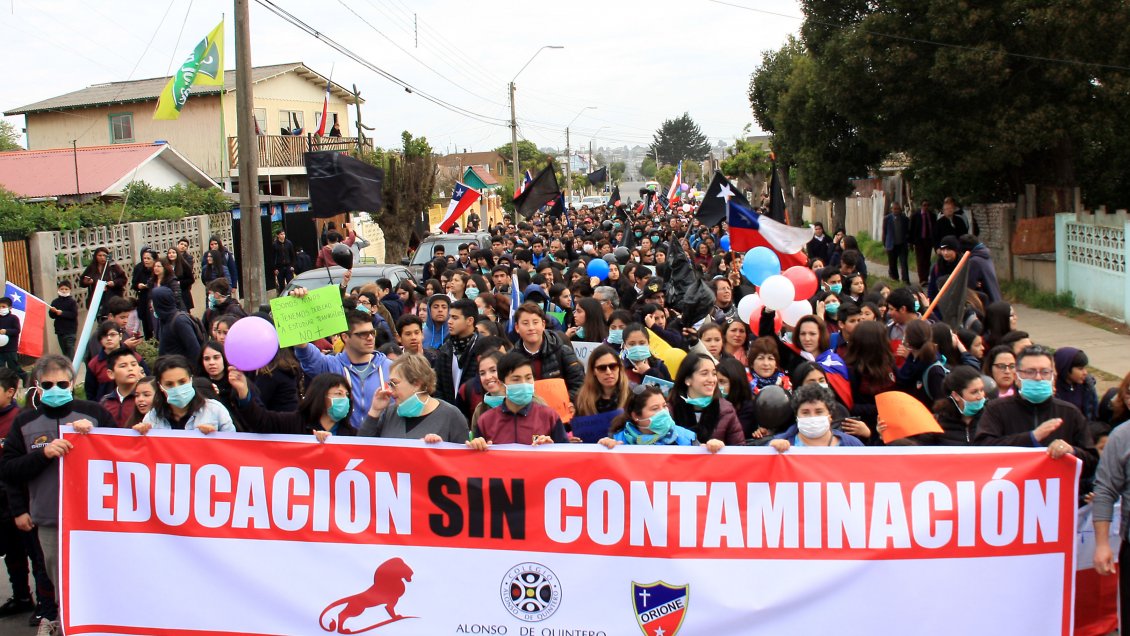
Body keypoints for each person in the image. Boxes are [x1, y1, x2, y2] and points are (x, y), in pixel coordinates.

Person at [1, 355, 111, 635]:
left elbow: (125, 453)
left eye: (61, 383)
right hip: (48, 516)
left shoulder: (95, 413)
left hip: (93, 514)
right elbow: (9, 470)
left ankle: (96, 623)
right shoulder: (25, 422)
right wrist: (44, 454)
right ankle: (65, 622)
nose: (55, 389)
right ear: (37, 386)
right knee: (56, 576)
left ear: (72, 383)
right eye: (47, 384)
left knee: (97, 573)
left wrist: (97, 435)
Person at [974, 345, 1098, 476]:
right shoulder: (996, 409)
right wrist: (1031, 438)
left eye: (1045, 372)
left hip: (1055, 491)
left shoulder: (1070, 412)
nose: (1038, 378)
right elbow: (982, 450)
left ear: (1053, 376)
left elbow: (1092, 461)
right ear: (1016, 377)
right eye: (1030, 372)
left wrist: (1072, 452)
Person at [0, 367, 56, 627]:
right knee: (12, 551)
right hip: (8, 500)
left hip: (27, 498)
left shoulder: (22, 420)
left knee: (38, 556)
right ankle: (22, 596)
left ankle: (47, 608)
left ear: (11, 392)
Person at [291, 304, 392, 430]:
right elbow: (304, 350)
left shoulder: (390, 367)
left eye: (372, 333)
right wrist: (296, 304)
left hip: (383, 444)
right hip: (343, 444)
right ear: (345, 337)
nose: (370, 338)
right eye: (363, 334)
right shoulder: (330, 365)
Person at [361, 354, 468, 442]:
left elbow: (461, 461)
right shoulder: (389, 413)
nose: (390, 389)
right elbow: (360, 449)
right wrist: (375, 411)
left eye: (394, 383)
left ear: (417, 383)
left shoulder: (451, 416)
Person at [470, 352, 568, 447]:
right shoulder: (486, 421)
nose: (524, 384)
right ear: (502, 384)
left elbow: (567, 456)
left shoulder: (549, 417)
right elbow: (475, 460)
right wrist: (478, 446)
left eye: (528, 378)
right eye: (516, 379)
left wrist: (551, 448)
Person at [232, 369, 353, 441]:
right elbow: (260, 420)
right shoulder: (293, 423)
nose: (344, 399)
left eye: (347, 395)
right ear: (320, 396)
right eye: (338, 394)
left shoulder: (352, 434)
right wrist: (243, 392)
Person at [600, 385, 722, 450]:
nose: (663, 412)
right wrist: (603, 448)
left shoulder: (687, 438)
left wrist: (712, 448)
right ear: (636, 416)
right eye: (655, 408)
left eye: (664, 406)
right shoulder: (617, 441)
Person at [138, 355, 236, 433]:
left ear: (191, 379)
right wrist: (138, 435)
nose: (177, 388)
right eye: (169, 384)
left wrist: (215, 437)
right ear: (160, 386)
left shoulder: (215, 410)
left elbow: (232, 447)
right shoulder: (152, 418)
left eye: (182, 382)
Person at [511, 303, 585, 400]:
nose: (531, 328)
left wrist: (563, 403)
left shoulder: (563, 352)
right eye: (525, 323)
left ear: (543, 324)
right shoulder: (512, 358)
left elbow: (579, 386)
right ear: (517, 327)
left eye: (535, 322)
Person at [669, 353, 744, 446]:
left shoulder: (726, 410)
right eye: (704, 374)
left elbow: (739, 449)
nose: (711, 379)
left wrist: (721, 448)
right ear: (688, 379)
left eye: (714, 374)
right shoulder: (669, 409)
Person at [769, 383, 865, 452]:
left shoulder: (853, 445)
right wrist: (770, 450)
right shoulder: (781, 444)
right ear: (796, 416)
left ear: (830, 415)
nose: (812, 417)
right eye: (805, 412)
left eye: (819, 412)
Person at [435, 299, 479, 404]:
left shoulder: (482, 349)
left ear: (470, 321)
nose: (449, 321)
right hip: (448, 414)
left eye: (455, 318)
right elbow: (438, 386)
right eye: (450, 317)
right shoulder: (445, 350)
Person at [933, 366, 986, 446]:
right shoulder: (938, 423)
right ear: (956, 395)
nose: (980, 396)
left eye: (981, 390)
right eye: (974, 392)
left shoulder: (991, 418)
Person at [574, 344, 630, 418]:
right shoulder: (582, 400)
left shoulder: (632, 396)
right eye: (602, 368)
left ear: (619, 368)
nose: (608, 372)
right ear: (593, 371)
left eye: (613, 366)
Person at [151, 287, 202, 361]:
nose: (151, 305)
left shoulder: (180, 321)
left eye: (153, 301)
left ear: (161, 302)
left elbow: (194, 350)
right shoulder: (163, 320)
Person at [98, 347, 142, 427]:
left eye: (134, 364)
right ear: (111, 374)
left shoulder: (148, 398)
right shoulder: (105, 401)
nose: (130, 368)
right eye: (123, 366)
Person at [79, 247, 128, 316]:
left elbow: (123, 279)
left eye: (104, 255)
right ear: (95, 256)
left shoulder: (113, 267)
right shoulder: (91, 268)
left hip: (112, 298)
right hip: (97, 299)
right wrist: (87, 282)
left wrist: (114, 283)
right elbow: (82, 281)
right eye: (99, 255)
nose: (102, 258)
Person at [1054, 347, 1099, 421]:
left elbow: (1093, 414)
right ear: (1066, 368)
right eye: (1080, 369)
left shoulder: (1087, 385)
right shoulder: (1052, 389)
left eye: (1085, 368)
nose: (1085, 373)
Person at [48, 280, 78, 360]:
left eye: (66, 289)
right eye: (62, 289)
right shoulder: (55, 302)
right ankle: (67, 367)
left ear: (70, 290)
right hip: (60, 331)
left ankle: (72, 367)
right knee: (65, 351)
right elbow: (51, 316)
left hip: (70, 331)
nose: (64, 291)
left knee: (70, 349)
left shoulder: (72, 302)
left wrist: (62, 313)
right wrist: (52, 311)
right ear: (58, 290)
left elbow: (73, 314)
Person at [882, 202, 910, 282]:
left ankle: (905, 280)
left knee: (904, 262)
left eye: (898, 209)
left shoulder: (904, 219)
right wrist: (884, 244)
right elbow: (884, 232)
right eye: (894, 209)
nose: (896, 210)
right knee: (892, 263)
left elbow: (907, 231)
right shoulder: (887, 219)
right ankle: (895, 278)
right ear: (891, 210)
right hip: (891, 245)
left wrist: (908, 241)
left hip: (902, 244)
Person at [909, 200, 935, 284]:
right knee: (920, 260)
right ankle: (922, 279)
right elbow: (911, 229)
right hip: (919, 241)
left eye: (927, 205)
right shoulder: (915, 216)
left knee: (927, 260)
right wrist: (911, 242)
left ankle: (926, 277)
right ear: (921, 206)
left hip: (929, 240)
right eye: (924, 205)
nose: (926, 207)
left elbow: (934, 228)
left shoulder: (932, 216)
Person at [0, 297, 24, 386]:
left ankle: (26, 379)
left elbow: (17, 330)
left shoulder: (13, 318)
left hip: (10, 348)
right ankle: (3, 384)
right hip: (0, 349)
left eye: (3, 306)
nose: (1, 309)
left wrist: (6, 331)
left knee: (14, 367)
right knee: (1, 368)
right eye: (0, 307)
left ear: (9, 308)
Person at [271, 229, 297, 293]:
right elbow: (273, 257)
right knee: (281, 285)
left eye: (284, 234)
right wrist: (275, 268)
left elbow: (292, 255)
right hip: (279, 267)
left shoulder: (289, 243)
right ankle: (283, 298)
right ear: (278, 235)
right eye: (281, 234)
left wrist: (292, 265)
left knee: (290, 283)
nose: (283, 236)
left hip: (288, 266)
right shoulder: (275, 245)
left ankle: (291, 295)